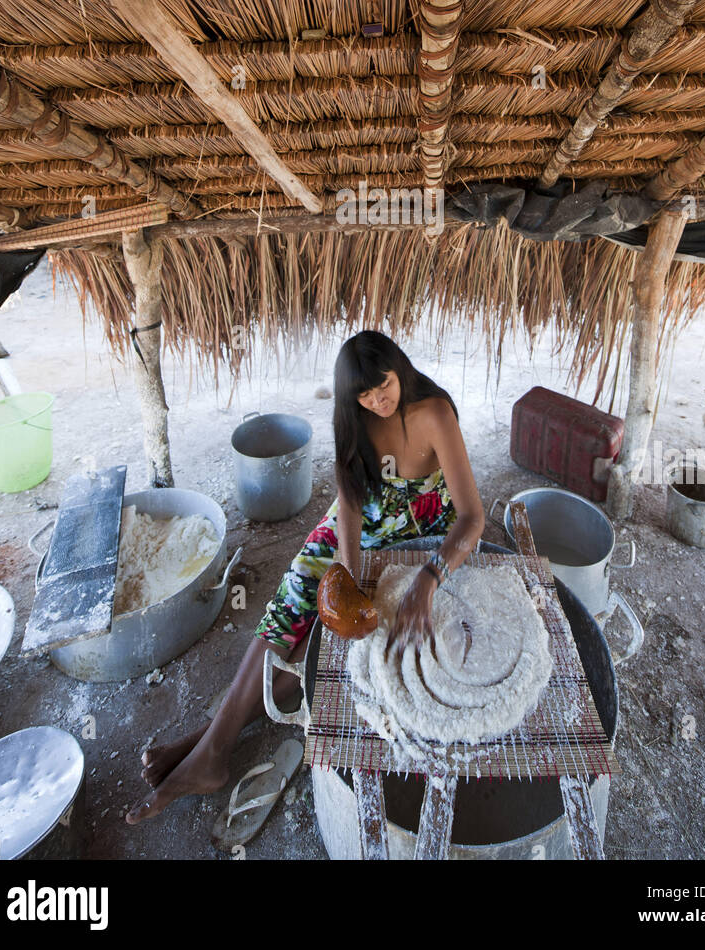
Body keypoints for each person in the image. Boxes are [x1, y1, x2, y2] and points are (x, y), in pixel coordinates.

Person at [126, 330, 485, 824]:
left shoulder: (433, 413)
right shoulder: (355, 420)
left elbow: (472, 519)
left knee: (319, 643)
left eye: (384, 386)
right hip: (361, 526)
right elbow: (352, 509)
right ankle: (210, 749)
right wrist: (348, 572)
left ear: (399, 368)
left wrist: (429, 578)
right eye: (364, 394)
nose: (378, 401)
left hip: (421, 530)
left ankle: (208, 742)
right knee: (297, 598)